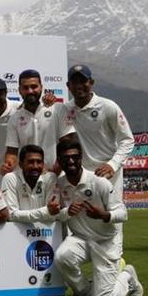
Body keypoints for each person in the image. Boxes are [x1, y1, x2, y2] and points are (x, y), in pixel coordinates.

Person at [54, 139, 143, 296]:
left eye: (75, 157)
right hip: (80, 239)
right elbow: (56, 215)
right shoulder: (60, 185)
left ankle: (126, 276)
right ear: (59, 161)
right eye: (66, 158)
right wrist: (67, 212)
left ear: (81, 157)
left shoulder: (99, 182)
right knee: (62, 257)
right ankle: (82, 292)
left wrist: (104, 215)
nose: (71, 161)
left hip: (106, 241)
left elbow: (123, 213)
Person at [57, 64, 134, 197]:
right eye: (74, 82)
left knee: (111, 215)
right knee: (82, 215)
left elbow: (127, 139)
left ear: (91, 83)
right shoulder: (65, 109)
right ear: (68, 86)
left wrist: (112, 164)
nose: (79, 85)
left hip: (108, 172)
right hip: (82, 175)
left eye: (83, 81)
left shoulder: (108, 106)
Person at [1, 69, 73, 175]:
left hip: (56, 174)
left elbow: (67, 143)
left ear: (41, 87)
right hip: (28, 177)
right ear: (19, 90)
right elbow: (12, 151)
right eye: (25, 88)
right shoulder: (14, 118)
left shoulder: (58, 110)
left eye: (34, 86)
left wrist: (58, 167)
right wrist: (8, 164)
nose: (30, 91)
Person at [1, 145, 60, 223]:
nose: (35, 166)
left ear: (43, 164)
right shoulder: (10, 179)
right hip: (16, 232)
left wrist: (48, 212)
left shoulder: (50, 178)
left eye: (39, 162)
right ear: (21, 164)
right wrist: (45, 211)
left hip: (45, 232)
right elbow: (11, 215)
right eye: (30, 162)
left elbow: (52, 216)